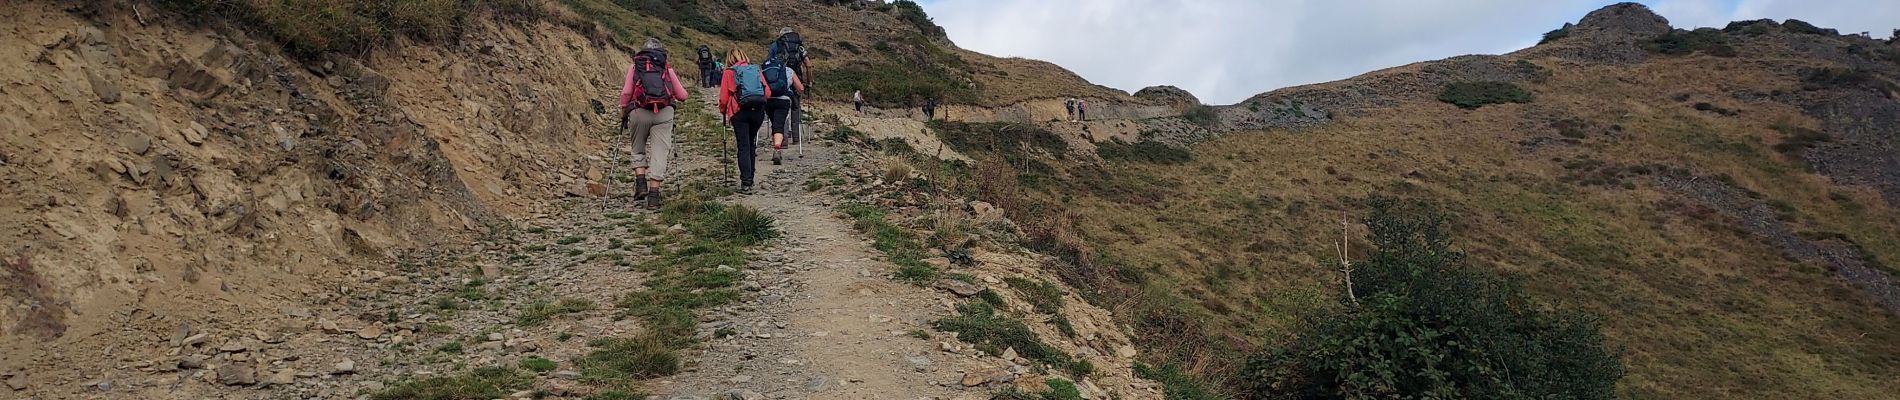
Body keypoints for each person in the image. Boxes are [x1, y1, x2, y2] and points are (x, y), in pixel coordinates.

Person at [617, 38, 689, 209]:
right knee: (660, 152)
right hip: (664, 113)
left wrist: (623, 109)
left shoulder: (636, 66)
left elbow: (627, 92)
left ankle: (641, 183)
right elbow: (683, 95)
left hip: (639, 111)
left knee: (638, 147)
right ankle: (654, 196)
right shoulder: (665, 67)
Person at [719, 50, 772, 194]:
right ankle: (751, 178)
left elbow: (724, 98)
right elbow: (767, 93)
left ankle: (746, 182)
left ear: (730, 59)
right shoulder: (755, 69)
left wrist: (723, 110)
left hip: (739, 112)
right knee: (751, 144)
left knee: (743, 146)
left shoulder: (729, 72)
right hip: (758, 111)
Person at [766, 27, 810, 145]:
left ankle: (783, 139)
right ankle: (796, 138)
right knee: (795, 108)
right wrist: (808, 81)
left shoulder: (776, 45)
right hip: (796, 78)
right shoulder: (799, 46)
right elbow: (808, 64)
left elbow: (769, 63)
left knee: (782, 107)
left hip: (781, 79)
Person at [762, 53, 805, 166]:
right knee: (779, 125)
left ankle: (776, 146)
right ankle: (777, 149)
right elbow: (800, 88)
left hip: (768, 99)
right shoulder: (788, 70)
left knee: (774, 124)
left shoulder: (765, 69)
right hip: (783, 100)